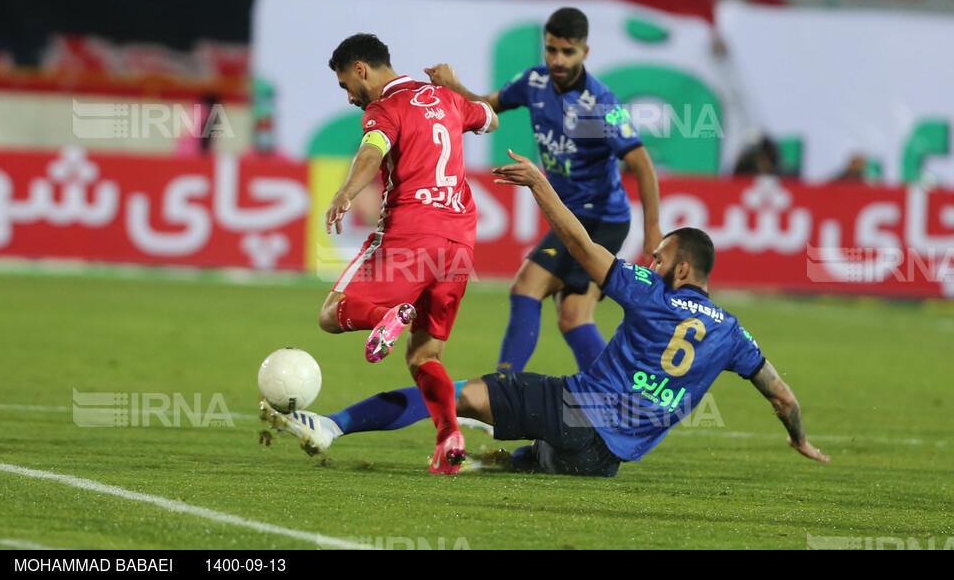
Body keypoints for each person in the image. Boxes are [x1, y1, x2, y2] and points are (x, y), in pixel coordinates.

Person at [260, 149, 829, 476]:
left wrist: (538, 184)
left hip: (573, 412)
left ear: (682, 270)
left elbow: (582, 246)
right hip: (604, 461)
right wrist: (798, 437)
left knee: (450, 388)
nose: (649, 262)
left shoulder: (652, 293)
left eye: (659, 258)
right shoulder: (732, 333)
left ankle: (333, 425)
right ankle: (496, 460)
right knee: (539, 440)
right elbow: (782, 395)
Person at [268, 33, 499, 474]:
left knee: (332, 314)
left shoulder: (384, 109)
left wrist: (345, 193)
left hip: (411, 235)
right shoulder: (447, 99)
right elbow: (490, 119)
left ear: (360, 69)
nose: (350, 97)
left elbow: (371, 155)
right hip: (459, 245)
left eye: (345, 85)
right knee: (425, 357)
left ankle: (386, 317)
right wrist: (456, 86)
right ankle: (449, 436)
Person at [425, 7, 662, 376]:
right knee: (573, 317)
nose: (557, 59)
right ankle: (617, 398)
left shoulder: (600, 104)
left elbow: (643, 164)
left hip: (599, 217)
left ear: (585, 52)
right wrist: (455, 89)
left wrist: (653, 233)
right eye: (551, 49)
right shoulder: (533, 82)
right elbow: (484, 108)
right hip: (574, 213)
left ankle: (502, 387)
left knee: (525, 288)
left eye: (567, 52)